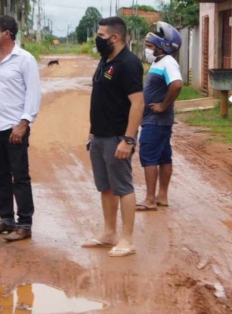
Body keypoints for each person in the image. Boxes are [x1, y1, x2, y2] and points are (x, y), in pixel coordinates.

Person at [81, 17, 145, 257]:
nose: (97, 39)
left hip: (118, 136)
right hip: (99, 135)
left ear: (115, 38)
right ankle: (109, 233)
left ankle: (127, 239)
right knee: (106, 187)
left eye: (101, 35)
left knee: (123, 187)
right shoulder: (105, 59)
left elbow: (137, 104)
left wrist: (128, 139)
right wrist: (92, 131)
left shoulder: (129, 63)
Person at [0, 15, 41, 242]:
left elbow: (33, 94)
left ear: (7, 33)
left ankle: (25, 224)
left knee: (20, 176)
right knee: (1, 175)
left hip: (14, 128)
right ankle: (6, 219)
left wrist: (23, 124)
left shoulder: (25, 59)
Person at [136, 22, 183, 211]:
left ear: (162, 48)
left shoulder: (169, 63)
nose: (147, 50)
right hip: (155, 120)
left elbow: (177, 84)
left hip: (156, 120)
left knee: (148, 156)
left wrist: (163, 106)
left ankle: (149, 199)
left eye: (150, 47)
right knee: (164, 156)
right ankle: (162, 196)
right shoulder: (159, 62)